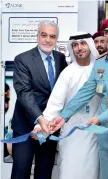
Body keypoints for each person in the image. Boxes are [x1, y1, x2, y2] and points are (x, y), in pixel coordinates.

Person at [40, 17, 108, 179]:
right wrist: (63, 117)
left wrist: (99, 118)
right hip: (105, 134)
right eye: (107, 32)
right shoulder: (100, 62)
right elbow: (86, 91)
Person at [33, 32, 100, 179]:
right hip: (70, 132)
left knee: (92, 171)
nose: (79, 48)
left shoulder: (100, 70)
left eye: (83, 43)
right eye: (75, 45)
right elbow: (55, 103)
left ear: (89, 45)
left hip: (94, 132)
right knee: (70, 171)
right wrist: (41, 126)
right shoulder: (67, 73)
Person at [11, 20, 67, 179]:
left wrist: (49, 122)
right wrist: (40, 119)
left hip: (50, 127)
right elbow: (24, 92)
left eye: (52, 36)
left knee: (44, 172)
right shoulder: (23, 59)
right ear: (37, 36)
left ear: (57, 39)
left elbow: (61, 91)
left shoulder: (60, 58)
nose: (48, 40)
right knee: (20, 171)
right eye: (44, 35)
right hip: (26, 126)